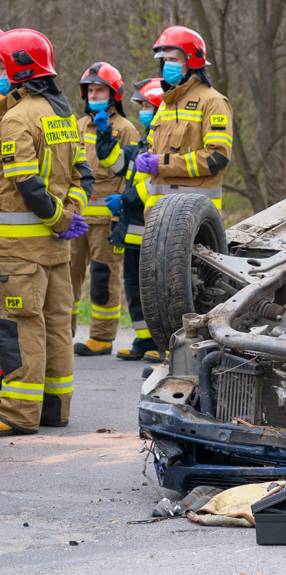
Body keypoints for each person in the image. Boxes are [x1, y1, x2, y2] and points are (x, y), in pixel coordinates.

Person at [0, 29, 91, 436]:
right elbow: (82, 176)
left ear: (16, 69)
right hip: (56, 247)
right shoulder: (62, 112)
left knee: (20, 324)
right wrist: (70, 215)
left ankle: (15, 413)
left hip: (20, 249)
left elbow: (26, 185)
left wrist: (58, 218)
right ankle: (54, 407)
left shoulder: (17, 119)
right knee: (56, 322)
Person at [71, 62, 139, 356]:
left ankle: (101, 337)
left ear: (114, 94)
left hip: (107, 221)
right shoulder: (76, 125)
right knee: (67, 278)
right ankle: (63, 333)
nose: (94, 95)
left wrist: (122, 208)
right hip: (75, 218)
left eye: (100, 90)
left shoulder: (125, 130)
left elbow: (133, 173)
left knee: (103, 278)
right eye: (90, 90)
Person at [97, 78, 163, 361]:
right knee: (134, 290)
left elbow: (153, 184)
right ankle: (143, 340)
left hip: (150, 230)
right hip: (133, 232)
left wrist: (123, 199)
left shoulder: (162, 141)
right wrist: (105, 137)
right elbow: (116, 164)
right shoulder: (144, 141)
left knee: (153, 292)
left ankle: (158, 343)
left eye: (148, 105)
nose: (143, 110)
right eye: (142, 105)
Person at [134, 26, 233, 213]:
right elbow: (153, 148)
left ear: (191, 61)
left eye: (173, 60)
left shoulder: (213, 102)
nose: (167, 66)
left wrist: (161, 163)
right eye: (165, 60)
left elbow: (216, 158)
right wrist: (146, 159)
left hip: (194, 216)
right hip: (158, 217)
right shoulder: (166, 104)